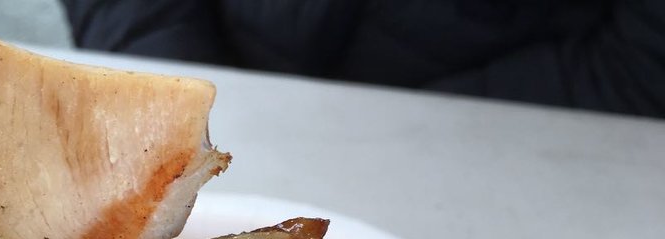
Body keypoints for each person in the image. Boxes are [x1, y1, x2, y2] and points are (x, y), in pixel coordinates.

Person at [60, 0, 665, 118]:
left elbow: (637, 71)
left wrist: (399, 127)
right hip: (206, 93)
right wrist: (181, 86)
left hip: (501, 145)